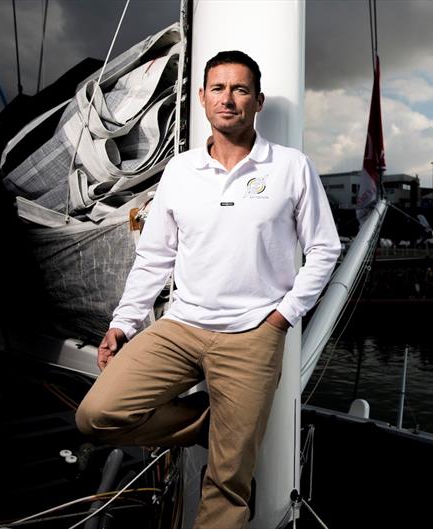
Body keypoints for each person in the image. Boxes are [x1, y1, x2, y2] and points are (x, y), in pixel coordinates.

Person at [75, 51, 341, 529]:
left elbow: (324, 249)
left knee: (228, 482)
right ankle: (208, 423)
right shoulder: (180, 170)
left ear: (257, 102)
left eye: (240, 90)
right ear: (202, 98)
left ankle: (225, 435)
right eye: (218, 88)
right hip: (181, 326)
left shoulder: (290, 167)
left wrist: (281, 318)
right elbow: (155, 257)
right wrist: (123, 323)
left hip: (252, 335)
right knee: (96, 415)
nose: (228, 99)